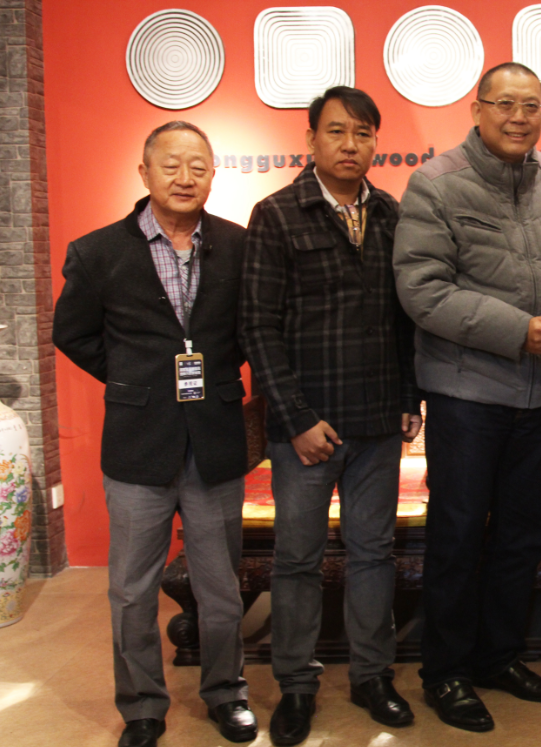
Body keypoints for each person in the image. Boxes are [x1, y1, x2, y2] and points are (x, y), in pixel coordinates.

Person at [393, 62, 541, 732]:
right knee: (456, 534)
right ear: (476, 110)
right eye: (504, 103)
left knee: (521, 533)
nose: (518, 117)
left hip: (539, 396)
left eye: (531, 105)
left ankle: (498, 656)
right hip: (466, 396)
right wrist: (518, 330)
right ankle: (445, 671)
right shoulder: (436, 183)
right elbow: (422, 289)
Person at [53, 122, 255, 747]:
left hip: (215, 438)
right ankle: (142, 706)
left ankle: (226, 693)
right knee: (131, 590)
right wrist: (134, 379)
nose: (184, 177)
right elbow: (72, 333)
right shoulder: (98, 252)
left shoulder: (239, 246)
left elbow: (254, 330)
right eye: (171, 165)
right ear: (144, 173)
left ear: (213, 174)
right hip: (138, 442)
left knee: (221, 587)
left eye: (198, 166)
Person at [240, 86, 421, 745]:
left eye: (363, 133)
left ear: (376, 142)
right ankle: (296, 685)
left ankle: (373, 676)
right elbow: (257, 326)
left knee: (374, 554)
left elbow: (405, 319)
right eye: (337, 131)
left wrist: (408, 399)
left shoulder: (393, 214)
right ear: (311, 139)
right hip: (307, 429)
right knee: (297, 559)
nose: (351, 144)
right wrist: (295, 419)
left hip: (377, 424)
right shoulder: (276, 214)